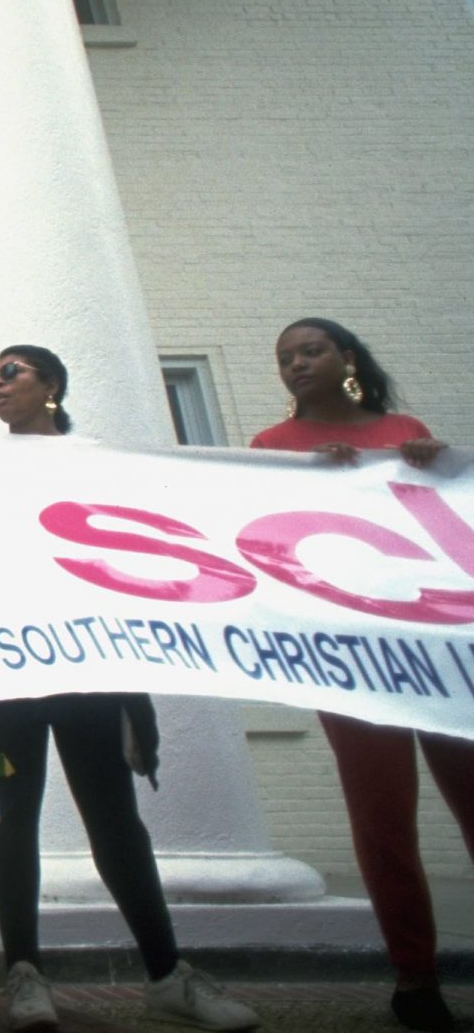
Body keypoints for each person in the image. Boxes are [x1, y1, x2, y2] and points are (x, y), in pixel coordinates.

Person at [0, 346, 259, 1033]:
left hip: (85, 668)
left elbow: (129, 566)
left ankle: (167, 976)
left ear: (52, 384)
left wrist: (136, 694)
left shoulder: (94, 465)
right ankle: (25, 976)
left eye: (10, 373)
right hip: (6, 671)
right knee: (10, 814)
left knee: (113, 819)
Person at [250, 318, 469, 1033]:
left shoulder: (403, 429)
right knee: (382, 821)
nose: (296, 364)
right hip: (352, 660)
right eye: (284, 358)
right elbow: (262, 541)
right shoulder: (269, 450)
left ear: (347, 358)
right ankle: (415, 977)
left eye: (309, 351)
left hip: (436, 652)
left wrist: (430, 467)